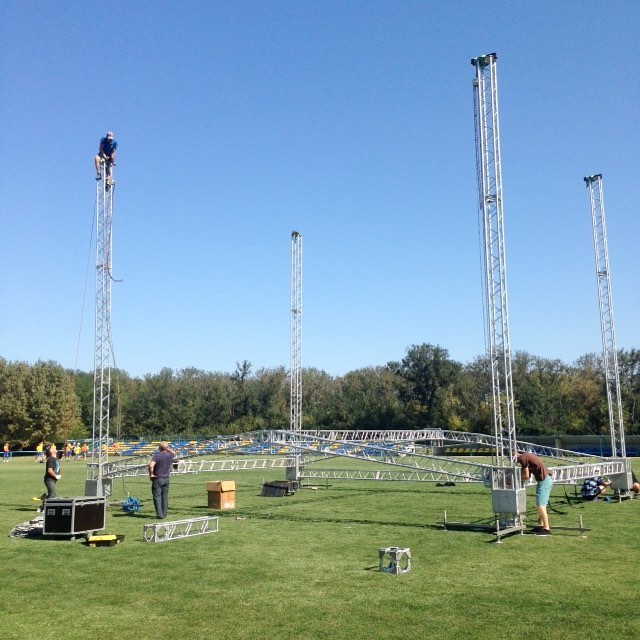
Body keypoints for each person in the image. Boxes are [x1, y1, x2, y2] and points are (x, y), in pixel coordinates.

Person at [516, 452, 554, 536]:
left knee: (540, 505)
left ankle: (546, 529)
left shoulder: (523, 458)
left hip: (544, 481)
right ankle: (541, 525)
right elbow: (528, 474)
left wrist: (514, 480)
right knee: (541, 505)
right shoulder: (526, 456)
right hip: (546, 480)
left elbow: (526, 476)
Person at [148, 441, 176, 519]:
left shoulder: (157, 456)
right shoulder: (170, 455)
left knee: (157, 497)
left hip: (158, 478)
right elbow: (174, 452)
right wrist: (167, 448)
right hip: (166, 478)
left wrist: (151, 474)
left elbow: (151, 466)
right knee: (164, 497)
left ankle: (159, 515)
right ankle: (164, 514)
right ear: (167, 448)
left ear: (159, 448)